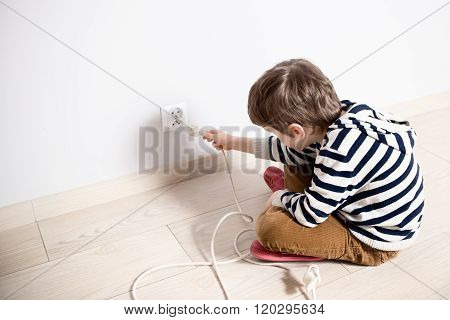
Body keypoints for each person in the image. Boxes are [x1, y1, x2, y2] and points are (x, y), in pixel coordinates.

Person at [202, 58, 424, 266]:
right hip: (354, 201)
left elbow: (311, 215)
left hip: (372, 238)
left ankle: (304, 221)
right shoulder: (339, 116)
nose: (276, 138)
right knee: (293, 157)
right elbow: (281, 149)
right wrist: (230, 141)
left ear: (296, 131)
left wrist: (280, 198)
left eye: (275, 132)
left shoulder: (340, 151)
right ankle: (302, 197)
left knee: (269, 228)